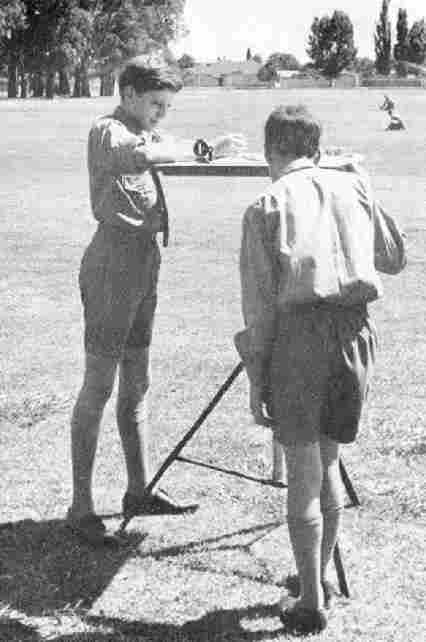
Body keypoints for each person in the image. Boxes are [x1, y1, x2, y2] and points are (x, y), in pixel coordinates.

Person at [235, 105, 406, 635]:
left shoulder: (266, 204)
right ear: (317, 148)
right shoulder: (352, 186)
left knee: (303, 474)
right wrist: (362, 183)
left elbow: (260, 309)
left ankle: (311, 601)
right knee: (327, 462)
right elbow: (394, 257)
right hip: (355, 334)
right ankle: (321, 578)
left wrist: (257, 377)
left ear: (271, 151)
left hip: (300, 339)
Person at [68, 57, 245, 546]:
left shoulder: (145, 131)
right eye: (155, 104)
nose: (161, 114)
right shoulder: (108, 131)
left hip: (144, 260)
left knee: (138, 381)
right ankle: (80, 507)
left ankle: (138, 490)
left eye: (167, 106)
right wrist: (200, 148)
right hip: (112, 263)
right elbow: (142, 154)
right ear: (127, 94)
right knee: (98, 387)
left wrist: (208, 151)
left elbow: (163, 148)